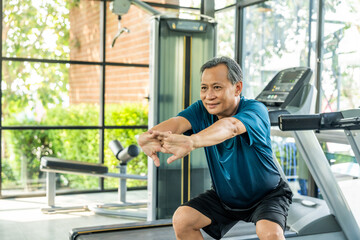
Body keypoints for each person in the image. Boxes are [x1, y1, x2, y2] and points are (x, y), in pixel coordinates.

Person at [137, 56, 293, 240]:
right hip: (225, 196)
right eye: (204, 88)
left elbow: (231, 127)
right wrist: (148, 136)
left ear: (237, 88)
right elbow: (177, 123)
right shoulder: (202, 110)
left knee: (270, 234)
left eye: (217, 87)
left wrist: (192, 141)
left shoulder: (255, 110)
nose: (209, 95)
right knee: (183, 219)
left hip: (267, 195)